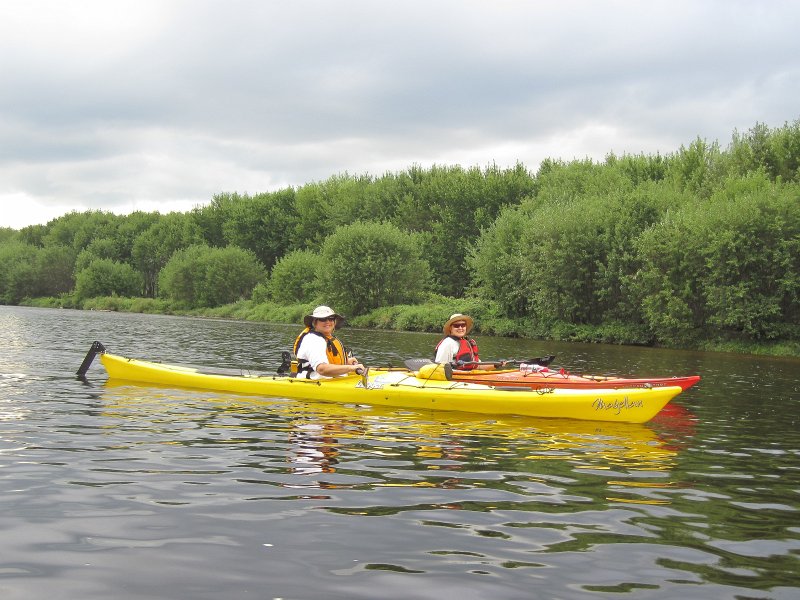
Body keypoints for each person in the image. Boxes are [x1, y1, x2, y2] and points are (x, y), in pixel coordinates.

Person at [293, 305, 364, 379]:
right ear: (315, 322)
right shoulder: (314, 340)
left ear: (334, 322)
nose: (327, 322)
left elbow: (327, 361)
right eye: (323, 319)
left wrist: (345, 362)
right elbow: (322, 369)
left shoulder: (326, 338)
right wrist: (351, 368)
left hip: (333, 381)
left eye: (331, 319)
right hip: (316, 383)